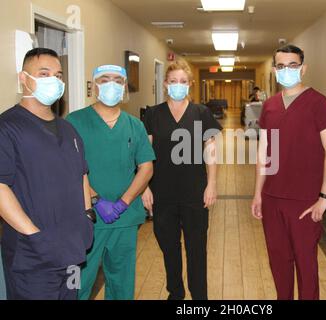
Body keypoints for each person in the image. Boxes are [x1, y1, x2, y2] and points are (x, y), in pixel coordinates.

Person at [0, 48, 94, 300]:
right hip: (33, 257)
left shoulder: (69, 130)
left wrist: (87, 217)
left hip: (72, 250)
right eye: (44, 73)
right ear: (24, 78)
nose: (54, 80)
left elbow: (81, 174)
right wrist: (34, 236)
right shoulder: (8, 127)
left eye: (58, 74)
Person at [251, 45, 326, 300]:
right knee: (278, 263)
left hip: (305, 200)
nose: (286, 70)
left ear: (303, 68)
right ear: (274, 69)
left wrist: (324, 199)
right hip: (272, 197)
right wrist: (258, 193)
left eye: (292, 65)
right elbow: (264, 152)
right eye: (280, 66)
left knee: (306, 264)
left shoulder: (319, 104)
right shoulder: (269, 106)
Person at [66, 65, 156, 300]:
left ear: (125, 87)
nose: (111, 85)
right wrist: (96, 199)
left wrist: (123, 203)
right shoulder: (74, 122)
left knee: (121, 282)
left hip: (124, 220)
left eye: (118, 80)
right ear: (94, 86)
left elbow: (146, 167)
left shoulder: (135, 125)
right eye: (105, 80)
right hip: (85, 218)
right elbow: (68, 168)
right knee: (79, 283)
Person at [143, 60, 222, 300]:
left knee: (196, 249)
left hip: (194, 192)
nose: (178, 85)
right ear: (165, 84)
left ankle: (200, 298)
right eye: (174, 81)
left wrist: (212, 184)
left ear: (190, 85)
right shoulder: (153, 114)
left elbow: (211, 149)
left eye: (183, 82)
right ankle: (175, 293)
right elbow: (144, 153)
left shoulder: (201, 113)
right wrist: (144, 186)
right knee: (169, 248)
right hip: (162, 193)